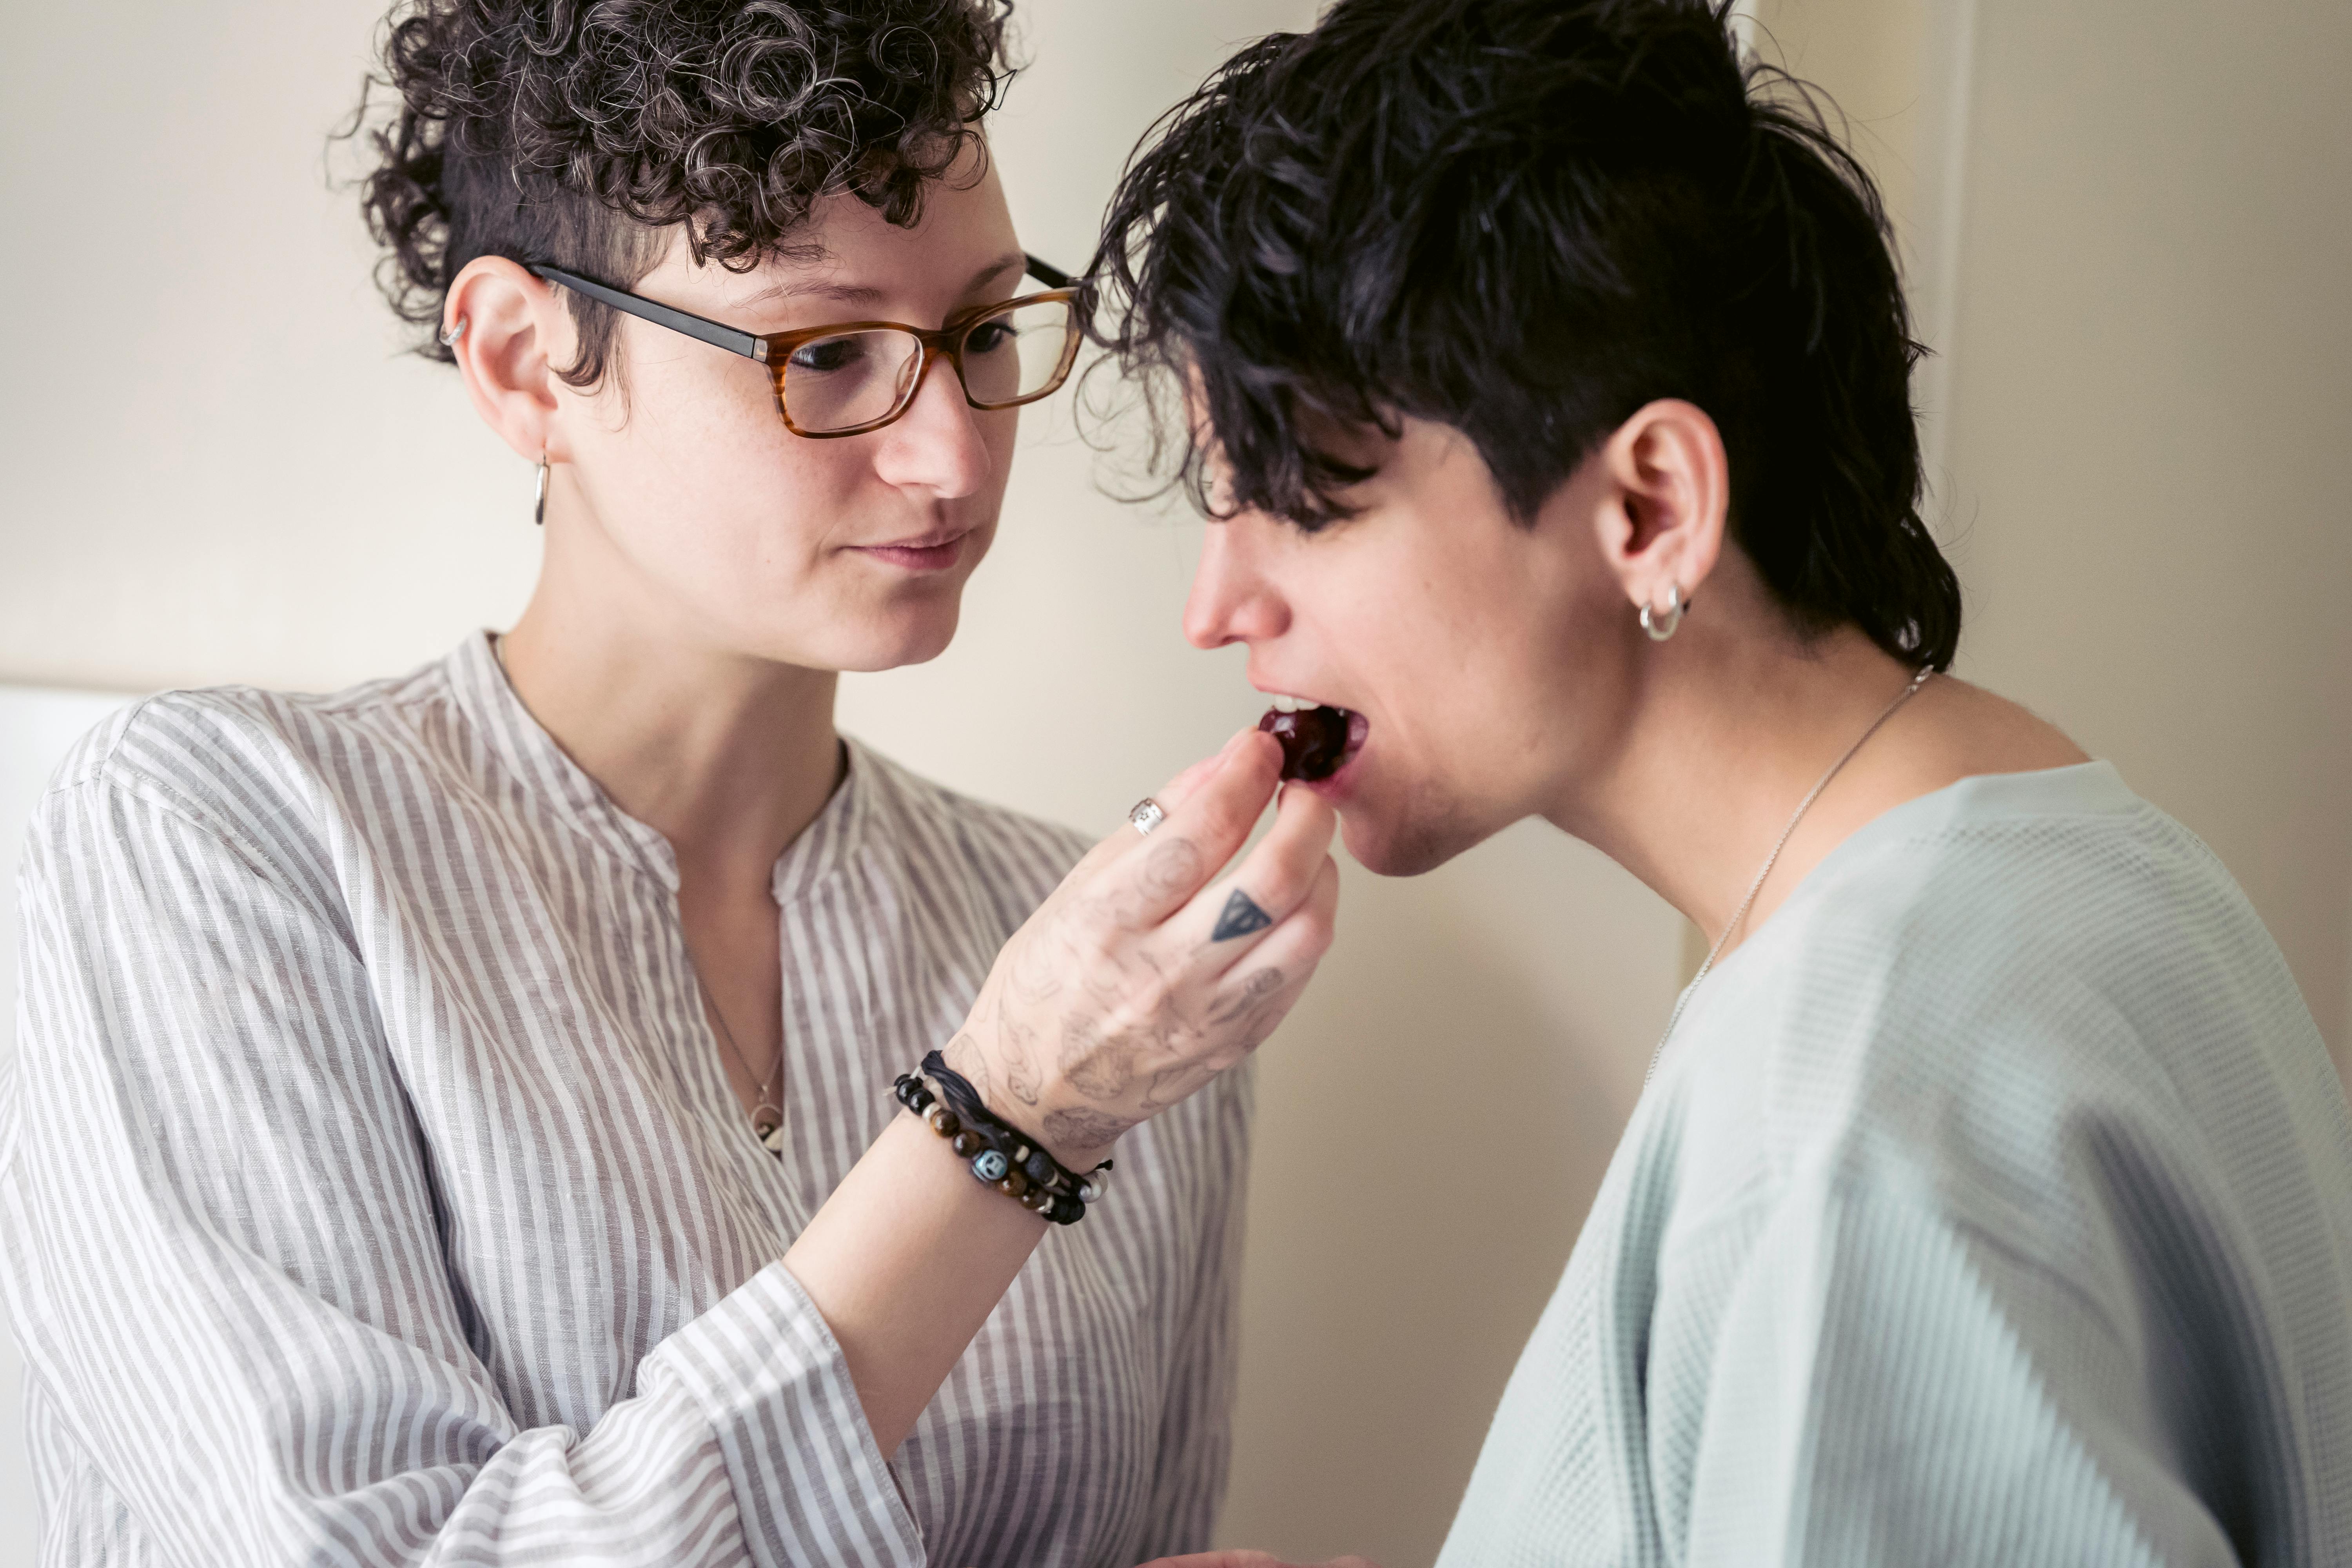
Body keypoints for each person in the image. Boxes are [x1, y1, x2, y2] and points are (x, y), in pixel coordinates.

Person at [0, 2, 1341, 1564]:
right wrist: (1012, 1117)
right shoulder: (219, 842)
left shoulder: (1112, 962)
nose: (955, 461)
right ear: (525, 363)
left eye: (982, 335)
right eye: (825, 354)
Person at [1091, 1, 2352, 1564]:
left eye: (1301, 502)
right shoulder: (2081, 857)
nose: (1217, 609)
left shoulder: (1847, 1128)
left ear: (1650, 507)